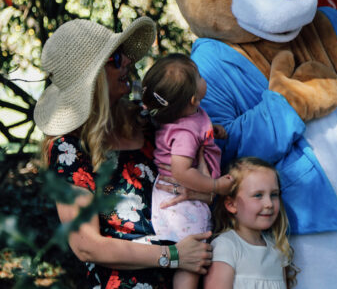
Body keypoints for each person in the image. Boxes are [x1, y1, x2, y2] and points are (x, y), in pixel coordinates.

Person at [34, 17, 214, 289]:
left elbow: (205, 169)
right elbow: (87, 245)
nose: (128, 61)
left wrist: (203, 192)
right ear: (91, 79)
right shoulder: (69, 148)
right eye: (115, 58)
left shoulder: (147, 119)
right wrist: (174, 257)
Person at [141, 53, 235, 289]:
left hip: (182, 198)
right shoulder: (185, 134)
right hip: (180, 202)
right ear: (193, 98)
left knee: (197, 254)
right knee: (192, 257)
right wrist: (215, 186)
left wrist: (212, 131)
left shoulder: (185, 116)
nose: (204, 78)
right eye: (200, 76)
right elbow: (181, 171)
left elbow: (194, 131)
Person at [204, 157, 297, 289]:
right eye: (258, 195)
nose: (269, 204)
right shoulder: (227, 246)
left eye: (274, 195)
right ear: (231, 204)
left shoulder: (278, 249)